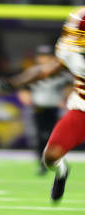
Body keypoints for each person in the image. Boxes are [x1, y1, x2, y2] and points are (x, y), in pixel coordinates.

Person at [0, 7, 85, 203]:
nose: (73, 38)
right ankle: (62, 171)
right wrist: (11, 83)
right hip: (82, 110)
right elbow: (45, 70)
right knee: (50, 156)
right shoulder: (73, 51)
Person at [16, 45, 72, 175]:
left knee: (55, 137)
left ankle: (55, 161)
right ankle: (42, 164)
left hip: (55, 108)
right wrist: (26, 99)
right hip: (39, 108)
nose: (44, 59)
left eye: (47, 56)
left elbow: (68, 87)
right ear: (37, 58)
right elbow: (23, 89)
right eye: (42, 56)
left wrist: (65, 99)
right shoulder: (32, 72)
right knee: (40, 137)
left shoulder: (60, 73)